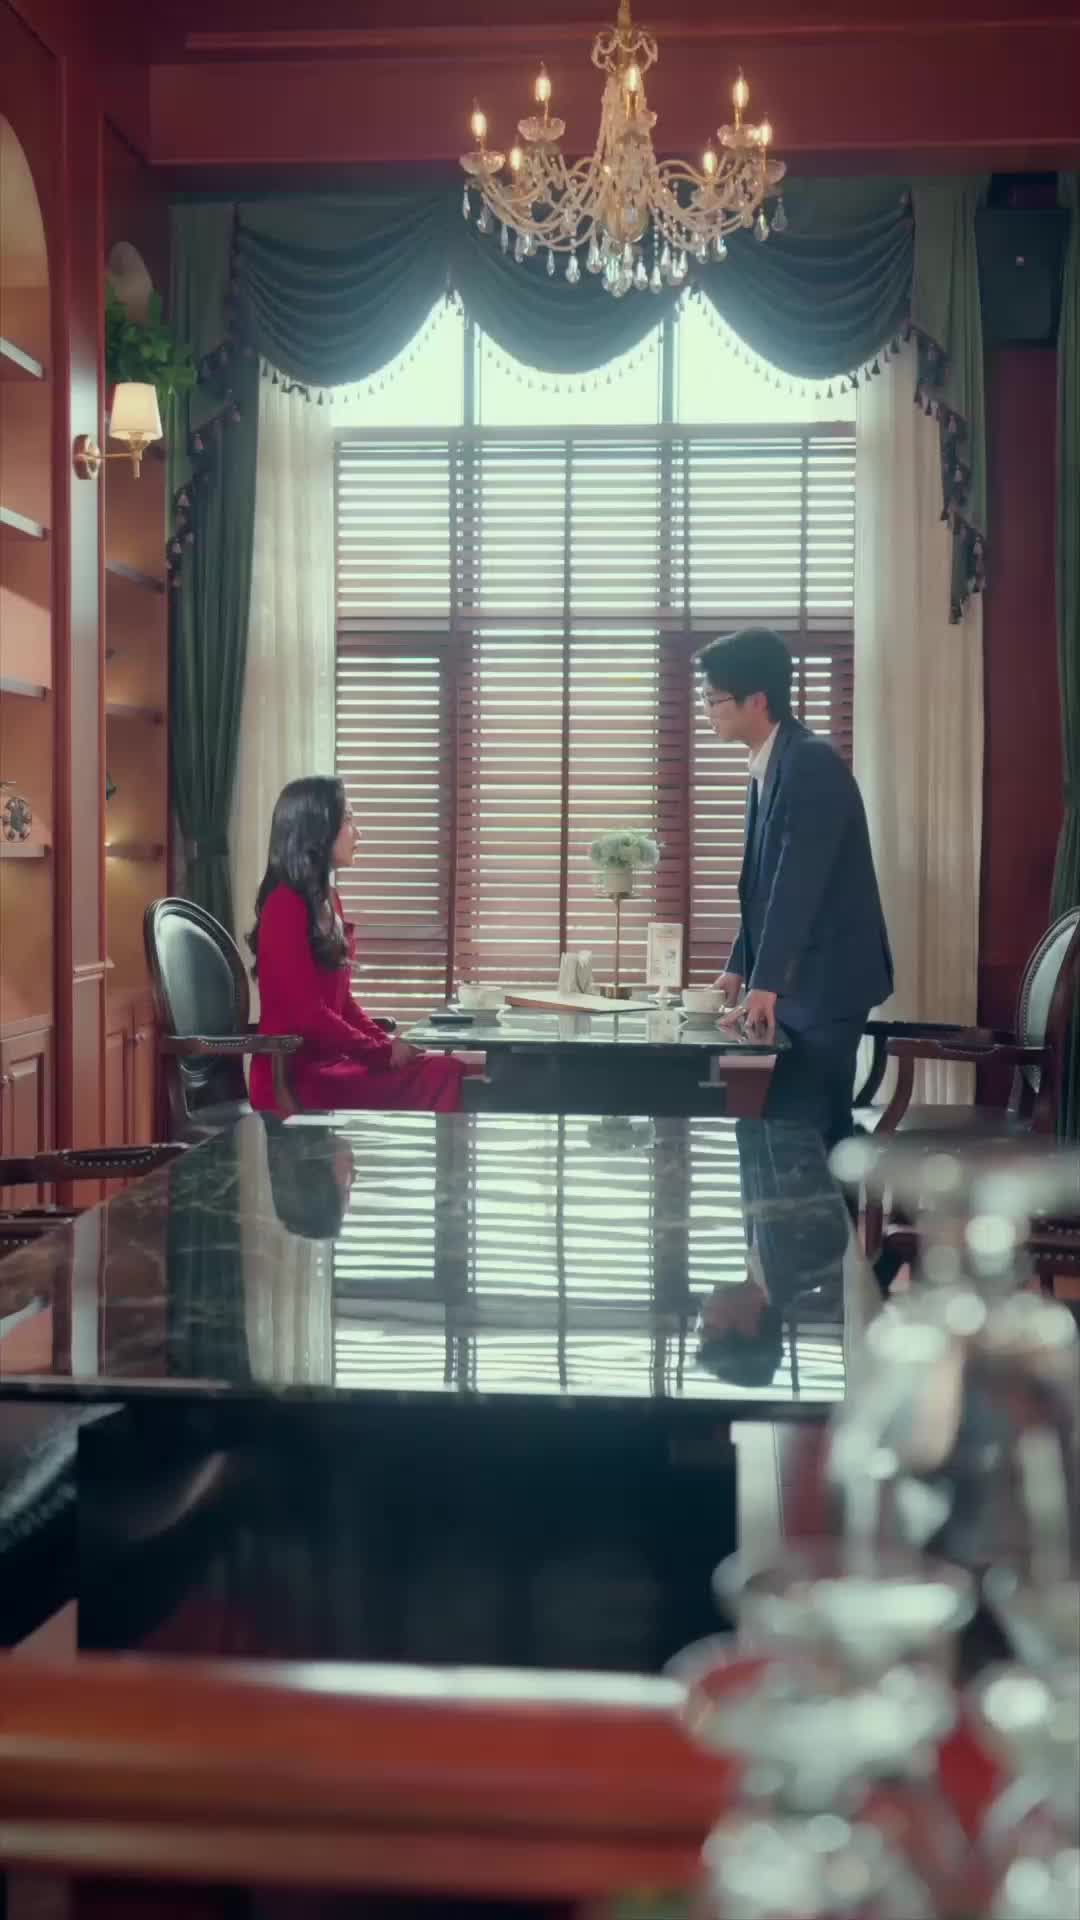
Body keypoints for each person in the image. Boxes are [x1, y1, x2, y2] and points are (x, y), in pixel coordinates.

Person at [700, 627, 893, 1149]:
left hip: (826, 982)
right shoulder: (771, 762)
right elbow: (765, 888)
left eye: (714, 699)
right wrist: (739, 966)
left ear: (757, 700)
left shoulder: (809, 762)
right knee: (780, 1127)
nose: (707, 711)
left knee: (808, 1132)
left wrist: (766, 983)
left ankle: (833, 1206)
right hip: (798, 980)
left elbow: (799, 882)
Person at [248, 776, 475, 1114]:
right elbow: (307, 1014)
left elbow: (342, 1003)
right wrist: (380, 1052)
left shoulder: (328, 900)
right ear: (318, 829)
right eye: (348, 820)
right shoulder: (284, 905)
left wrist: (386, 1045)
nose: (359, 834)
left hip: (334, 1066)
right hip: (295, 1078)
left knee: (452, 1069)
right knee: (444, 1073)